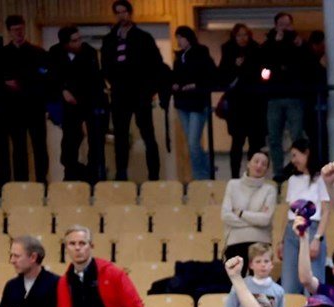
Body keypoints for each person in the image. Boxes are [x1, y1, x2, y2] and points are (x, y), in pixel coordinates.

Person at [99, 0, 164, 181]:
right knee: (120, 137)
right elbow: (105, 65)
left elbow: (157, 65)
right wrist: (112, 82)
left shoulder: (143, 37)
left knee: (148, 135)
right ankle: (121, 177)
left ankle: (154, 177)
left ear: (130, 13)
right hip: (120, 94)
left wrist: (151, 89)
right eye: (118, 12)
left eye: (124, 11)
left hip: (141, 93)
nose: (122, 15)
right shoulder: (110, 39)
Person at [0, 16, 52, 181]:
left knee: (39, 146)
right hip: (13, 108)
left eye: (21, 29)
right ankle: (22, 183)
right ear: (9, 32)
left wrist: (22, 82)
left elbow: (45, 77)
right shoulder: (2, 54)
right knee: (19, 147)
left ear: (25, 28)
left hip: (35, 106)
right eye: (15, 30)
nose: (18, 33)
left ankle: (42, 181)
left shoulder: (38, 52)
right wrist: (6, 83)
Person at [50, 25, 105, 181]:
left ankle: (93, 177)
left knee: (94, 141)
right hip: (68, 104)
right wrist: (63, 90)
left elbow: (94, 79)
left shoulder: (89, 52)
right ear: (65, 44)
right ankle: (73, 175)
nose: (79, 42)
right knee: (70, 142)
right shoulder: (55, 53)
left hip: (89, 100)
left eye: (80, 39)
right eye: (75, 41)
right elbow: (52, 77)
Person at [259, 13, 311, 163]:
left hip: (294, 95)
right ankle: (278, 172)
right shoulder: (269, 44)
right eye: (281, 24)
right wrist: (276, 43)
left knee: (297, 137)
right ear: (276, 26)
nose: (285, 28)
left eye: (288, 24)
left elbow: (307, 62)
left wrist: (300, 46)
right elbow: (264, 63)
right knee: (274, 137)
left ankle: (299, 168)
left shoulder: (299, 43)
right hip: (274, 96)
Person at [170, 26, 219, 181]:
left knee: (192, 143)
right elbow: (176, 76)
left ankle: (201, 176)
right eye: (177, 38)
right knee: (192, 142)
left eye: (181, 37)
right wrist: (175, 84)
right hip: (182, 102)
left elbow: (211, 73)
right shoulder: (179, 57)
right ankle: (207, 166)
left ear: (188, 38)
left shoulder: (201, 52)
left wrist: (196, 84)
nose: (179, 41)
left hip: (197, 102)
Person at [280, 140, 328, 296]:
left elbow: (326, 211)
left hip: (313, 228)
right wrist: (281, 240)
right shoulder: (293, 180)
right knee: (288, 286)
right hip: (291, 230)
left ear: (306, 153)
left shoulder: (321, 178)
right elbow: (287, 212)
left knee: (313, 284)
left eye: (295, 155)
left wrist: (317, 238)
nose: (293, 160)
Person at [218, 24, 265, 179]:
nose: (242, 38)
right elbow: (222, 74)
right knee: (237, 142)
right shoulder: (228, 50)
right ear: (234, 37)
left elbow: (261, 73)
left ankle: (254, 175)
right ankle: (234, 176)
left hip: (254, 102)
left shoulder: (256, 50)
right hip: (237, 104)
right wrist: (234, 66)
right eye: (239, 35)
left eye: (245, 35)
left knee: (255, 143)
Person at [223, 149, 279, 262]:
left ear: (267, 170)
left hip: (261, 243)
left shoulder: (270, 189)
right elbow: (226, 216)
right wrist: (255, 220)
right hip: (235, 241)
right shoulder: (233, 185)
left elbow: (265, 220)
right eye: (256, 161)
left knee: (258, 277)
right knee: (235, 278)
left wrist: (241, 213)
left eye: (264, 164)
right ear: (248, 163)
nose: (259, 166)